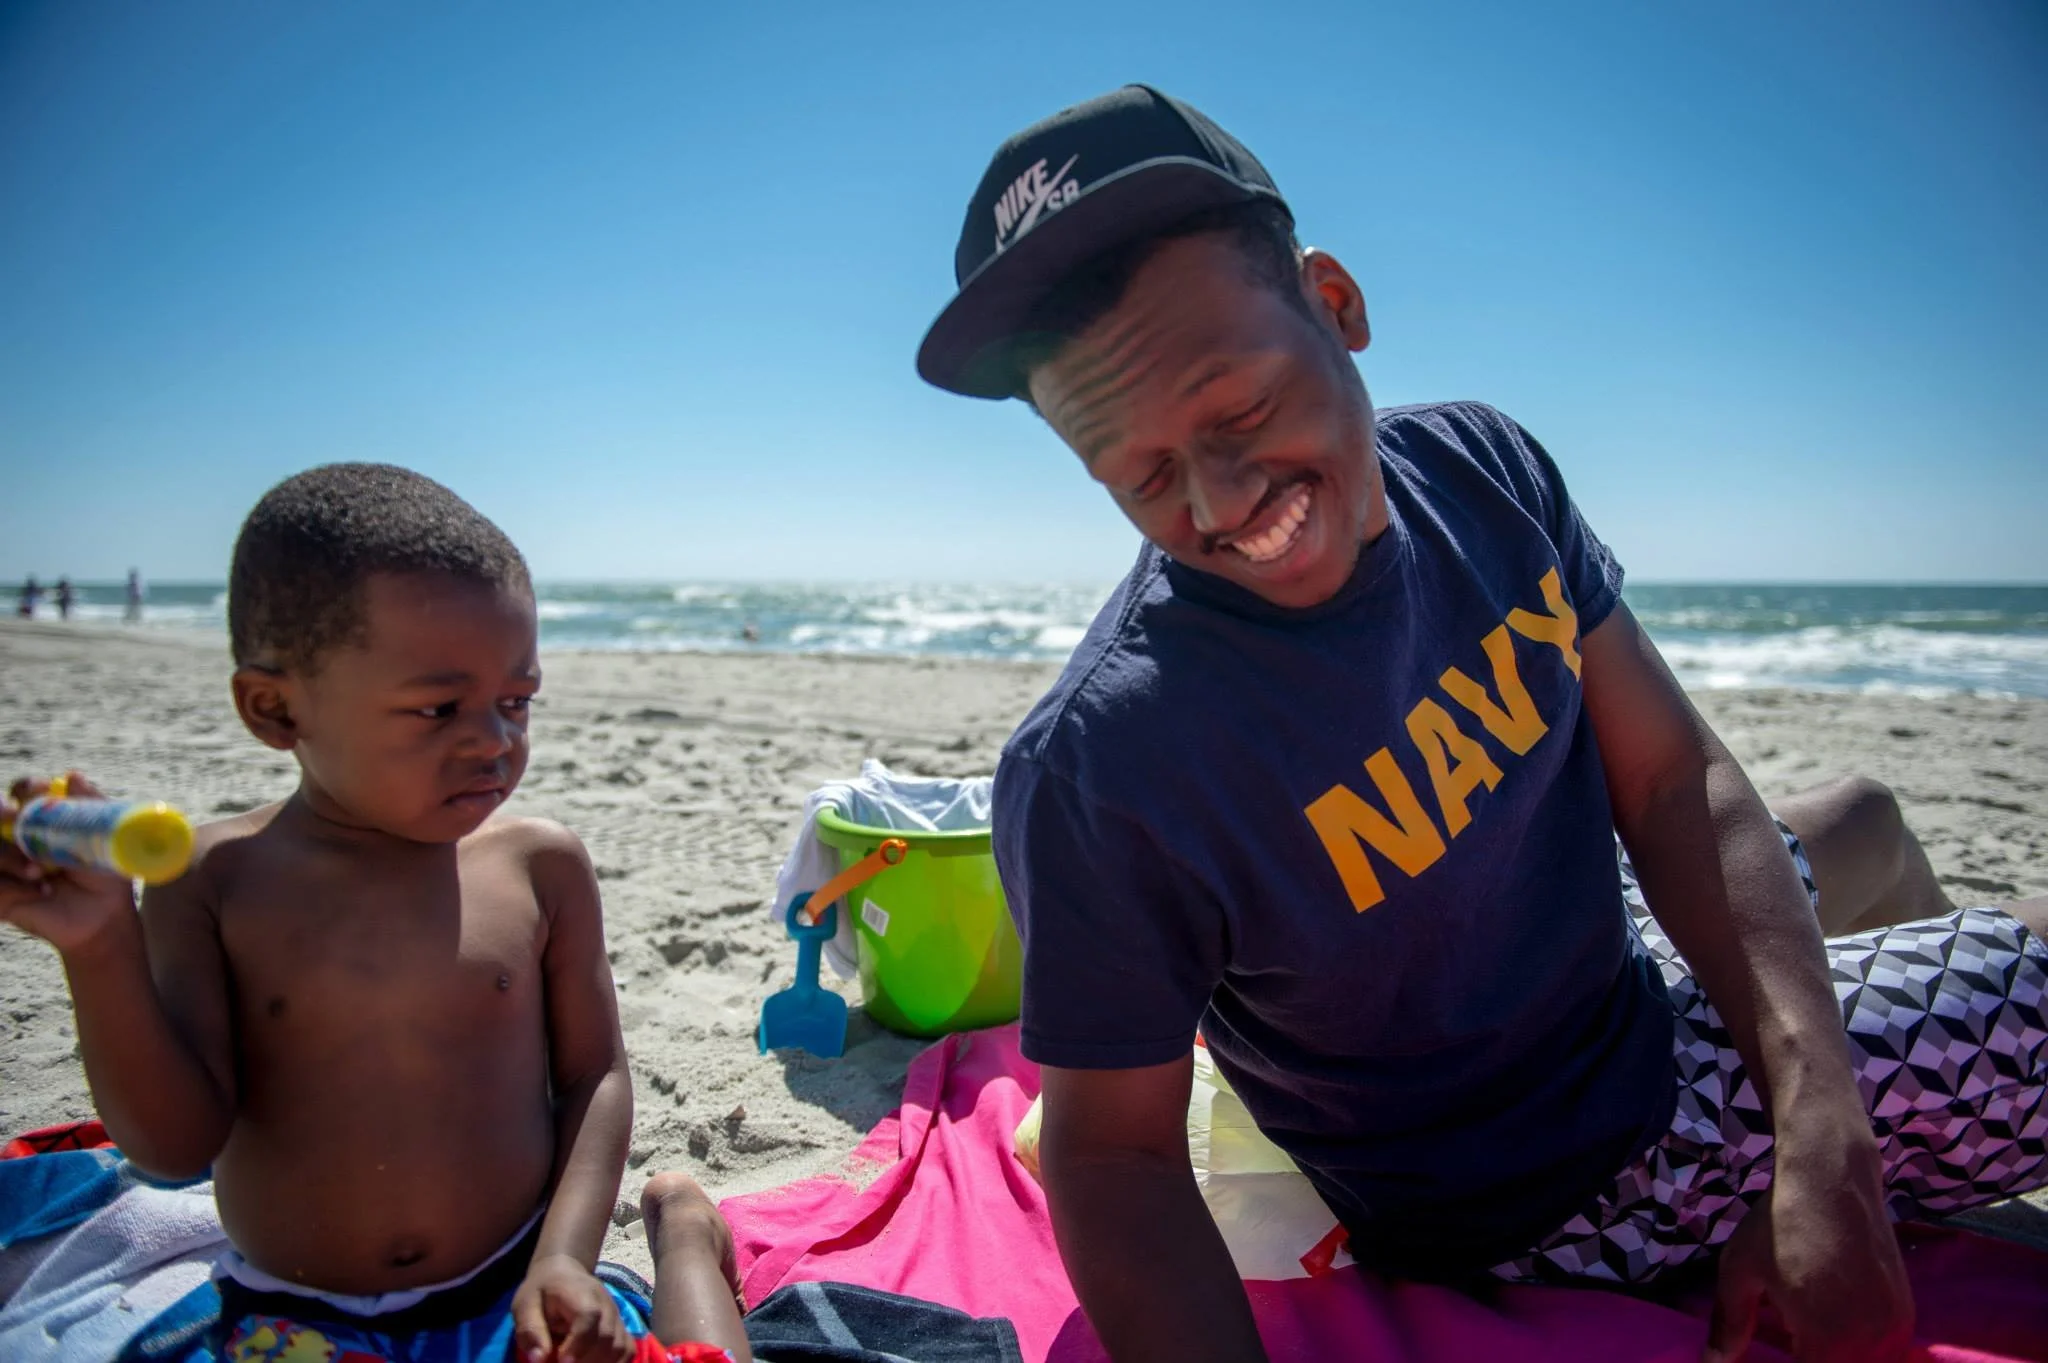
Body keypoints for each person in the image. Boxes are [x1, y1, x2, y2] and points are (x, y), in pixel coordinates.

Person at [915, 86, 2048, 1363]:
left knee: (1860, 819)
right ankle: (1915, 1140)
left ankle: (1905, 1174)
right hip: (1560, 1178)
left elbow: (1675, 785)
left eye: (1237, 414)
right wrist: (1799, 1122)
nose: (1222, 504)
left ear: (1332, 305)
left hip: (1608, 979)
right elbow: (1113, 1157)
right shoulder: (1102, 766)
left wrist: (1825, 1140)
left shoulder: (1481, 471)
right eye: (1143, 476)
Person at [0, 464, 750, 1363]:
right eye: (440, 707)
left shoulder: (538, 864)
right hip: (293, 1317)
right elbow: (172, 1146)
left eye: (517, 701)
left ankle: (683, 1234)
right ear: (274, 708)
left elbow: (594, 1077)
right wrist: (97, 946)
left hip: (515, 1285)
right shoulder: (214, 878)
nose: (495, 740)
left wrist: (564, 1260)